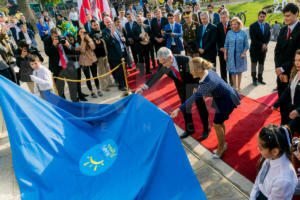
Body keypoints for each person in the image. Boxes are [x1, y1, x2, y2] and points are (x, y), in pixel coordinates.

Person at [170, 57, 240, 158]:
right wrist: (199, 88)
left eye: (191, 69)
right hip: (222, 97)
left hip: (227, 99)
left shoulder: (208, 82)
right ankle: (222, 144)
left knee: (216, 124)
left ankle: (221, 148)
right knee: (219, 122)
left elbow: (193, 98)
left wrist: (178, 109)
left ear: (198, 70)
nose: (189, 71)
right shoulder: (207, 71)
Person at [136, 47, 210, 140]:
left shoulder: (185, 60)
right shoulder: (164, 64)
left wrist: (197, 86)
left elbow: (198, 72)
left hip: (193, 84)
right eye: (161, 63)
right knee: (185, 107)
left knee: (201, 106)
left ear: (170, 58)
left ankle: (206, 128)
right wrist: (143, 88)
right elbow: (156, 76)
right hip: (181, 87)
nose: (162, 65)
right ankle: (189, 129)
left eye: (164, 63)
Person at [250, 124, 297, 200]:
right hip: (261, 193)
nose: (258, 149)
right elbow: (259, 178)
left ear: (275, 151)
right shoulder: (271, 157)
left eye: (261, 148)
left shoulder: (283, 180)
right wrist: (253, 195)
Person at [275, 3, 300, 125]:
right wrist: (278, 68)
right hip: (281, 73)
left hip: (294, 73)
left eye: (288, 16)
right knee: (283, 100)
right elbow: (277, 50)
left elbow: (297, 56)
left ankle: (292, 129)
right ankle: (283, 126)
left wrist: (283, 68)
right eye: (284, 16)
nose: (285, 19)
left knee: (293, 103)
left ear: (296, 14)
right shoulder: (284, 29)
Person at [44, 28, 78, 102]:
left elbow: (72, 50)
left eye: (59, 36)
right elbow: (48, 53)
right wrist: (53, 45)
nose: (58, 38)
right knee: (60, 88)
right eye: (56, 36)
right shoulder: (47, 40)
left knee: (72, 85)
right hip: (57, 68)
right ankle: (64, 104)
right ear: (52, 36)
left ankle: (75, 102)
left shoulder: (64, 37)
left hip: (68, 65)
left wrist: (68, 45)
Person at [272, 50, 300, 135]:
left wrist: (299, 111)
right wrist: (277, 103)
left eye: (299, 60)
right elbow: (288, 90)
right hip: (292, 111)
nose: (297, 63)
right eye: (296, 60)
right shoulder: (295, 72)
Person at [224, 17, 249, 92]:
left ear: (239, 24)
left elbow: (246, 45)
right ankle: (235, 87)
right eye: (232, 24)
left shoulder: (243, 33)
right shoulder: (229, 33)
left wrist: (244, 53)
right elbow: (226, 45)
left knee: (239, 71)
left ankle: (239, 86)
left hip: (240, 56)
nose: (233, 26)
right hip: (231, 55)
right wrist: (225, 54)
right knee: (232, 72)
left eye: (235, 24)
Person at [102, 17, 127, 91]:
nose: (109, 23)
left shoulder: (117, 28)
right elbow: (107, 43)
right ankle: (121, 86)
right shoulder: (104, 32)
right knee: (118, 71)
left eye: (109, 21)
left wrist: (124, 39)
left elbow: (122, 36)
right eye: (107, 22)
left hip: (123, 52)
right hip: (115, 55)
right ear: (104, 23)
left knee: (124, 69)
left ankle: (124, 83)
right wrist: (111, 35)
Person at [77, 27, 101, 98]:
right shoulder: (76, 42)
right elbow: (82, 51)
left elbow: (93, 47)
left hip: (92, 59)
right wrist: (82, 40)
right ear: (78, 33)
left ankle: (98, 89)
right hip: (84, 62)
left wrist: (88, 39)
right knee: (88, 77)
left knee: (95, 75)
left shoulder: (89, 38)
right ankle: (92, 92)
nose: (83, 34)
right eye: (81, 32)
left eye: (84, 32)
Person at [249, 11, 271, 86]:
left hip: (263, 50)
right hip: (255, 49)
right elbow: (253, 38)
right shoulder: (252, 26)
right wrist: (262, 45)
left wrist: (266, 44)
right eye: (261, 16)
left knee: (261, 64)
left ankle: (260, 78)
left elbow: (268, 36)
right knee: (254, 64)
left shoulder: (267, 25)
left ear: (265, 17)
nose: (262, 18)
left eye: (263, 17)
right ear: (258, 16)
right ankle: (254, 79)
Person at [90, 20, 112, 92]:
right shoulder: (90, 34)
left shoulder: (101, 31)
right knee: (101, 72)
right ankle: (104, 86)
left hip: (105, 54)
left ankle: (110, 83)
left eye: (97, 24)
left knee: (107, 70)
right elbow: (91, 46)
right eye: (94, 25)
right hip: (98, 56)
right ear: (91, 26)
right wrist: (96, 43)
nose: (96, 26)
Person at [66, 34, 88, 102]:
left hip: (78, 64)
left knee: (79, 79)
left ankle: (80, 93)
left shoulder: (76, 43)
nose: (71, 39)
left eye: (72, 38)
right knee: (75, 81)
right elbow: (73, 51)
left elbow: (78, 51)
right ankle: (77, 96)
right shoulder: (66, 46)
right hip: (71, 66)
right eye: (70, 38)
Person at [217, 10, 232, 84]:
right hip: (221, 50)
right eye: (221, 17)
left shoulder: (232, 25)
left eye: (225, 17)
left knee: (231, 66)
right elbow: (217, 39)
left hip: (231, 50)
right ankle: (224, 82)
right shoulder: (218, 25)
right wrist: (220, 47)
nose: (223, 19)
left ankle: (232, 82)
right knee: (223, 68)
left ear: (227, 17)